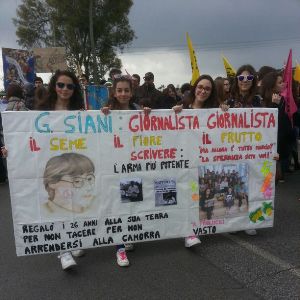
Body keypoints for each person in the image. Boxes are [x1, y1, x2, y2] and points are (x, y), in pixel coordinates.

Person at [35, 69, 85, 269]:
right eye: (61, 85)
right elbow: (27, 136)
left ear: (74, 89)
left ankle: (74, 240)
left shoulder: (81, 112)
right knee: (57, 204)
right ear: (54, 86)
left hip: (75, 166)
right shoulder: (41, 112)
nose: (65, 89)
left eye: (70, 86)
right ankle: (63, 252)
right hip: (54, 168)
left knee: (75, 204)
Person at [101, 75, 151, 267]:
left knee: (131, 203)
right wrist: (101, 114)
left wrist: (148, 113)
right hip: (112, 168)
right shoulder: (106, 112)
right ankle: (119, 248)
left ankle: (127, 234)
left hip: (133, 166)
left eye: (126, 90)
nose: (123, 94)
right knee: (115, 207)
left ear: (132, 92)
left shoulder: (137, 110)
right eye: (119, 90)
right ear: (114, 92)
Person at [261, 71, 294, 181]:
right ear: (272, 86)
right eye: (280, 82)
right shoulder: (262, 102)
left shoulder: (282, 100)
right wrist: (275, 106)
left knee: (272, 181)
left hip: (279, 150)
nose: (284, 84)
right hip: (265, 150)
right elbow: (270, 126)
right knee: (266, 180)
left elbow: (285, 126)